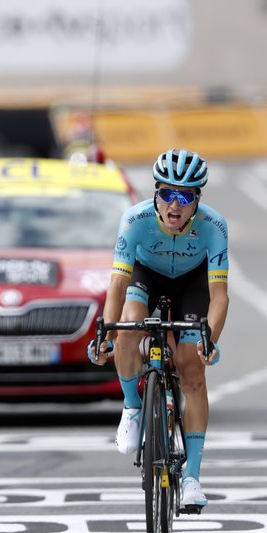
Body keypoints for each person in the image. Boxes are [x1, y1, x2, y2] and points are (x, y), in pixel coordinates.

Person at [88, 148, 229, 511]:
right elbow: (117, 286)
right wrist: (105, 332)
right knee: (128, 329)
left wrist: (208, 338)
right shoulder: (134, 220)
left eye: (185, 197)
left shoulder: (214, 227)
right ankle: (133, 408)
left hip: (192, 284)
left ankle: (192, 478)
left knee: (192, 371)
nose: (174, 204)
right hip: (145, 276)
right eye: (167, 193)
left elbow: (219, 296)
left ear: (197, 199)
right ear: (156, 193)